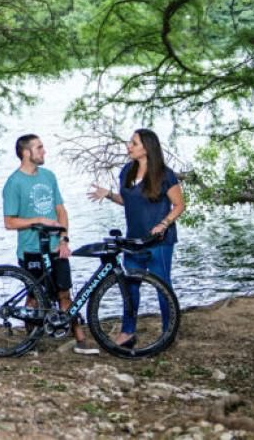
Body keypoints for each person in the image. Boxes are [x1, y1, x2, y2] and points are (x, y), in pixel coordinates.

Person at [87, 128, 185, 346]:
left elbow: (179, 205)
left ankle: (169, 332)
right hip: (133, 241)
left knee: (162, 286)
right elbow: (128, 201)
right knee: (129, 286)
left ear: (147, 148)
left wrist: (164, 224)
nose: (128, 146)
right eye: (130, 143)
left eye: (134, 143)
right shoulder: (127, 172)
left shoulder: (164, 174)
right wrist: (110, 195)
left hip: (159, 242)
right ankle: (127, 332)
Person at [2, 134, 99, 355]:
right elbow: (9, 222)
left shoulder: (48, 176)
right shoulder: (14, 183)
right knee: (34, 296)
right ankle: (30, 343)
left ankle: (80, 340)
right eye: (39, 147)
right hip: (31, 249)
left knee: (65, 293)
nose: (44, 151)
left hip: (56, 247)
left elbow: (61, 211)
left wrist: (64, 239)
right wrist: (37, 220)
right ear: (26, 153)